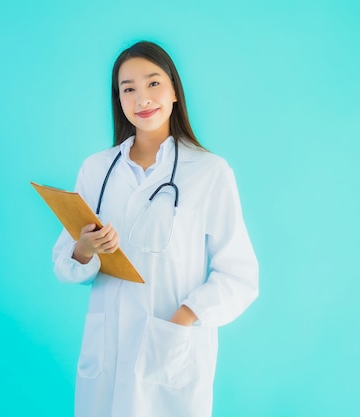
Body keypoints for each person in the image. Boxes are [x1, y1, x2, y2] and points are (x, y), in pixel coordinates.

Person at [52, 41, 259, 417]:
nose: (141, 98)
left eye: (153, 83)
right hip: (107, 351)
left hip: (172, 350)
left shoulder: (209, 172)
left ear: (175, 91)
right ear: (118, 99)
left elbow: (239, 275)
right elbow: (66, 265)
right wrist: (85, 248)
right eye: (128, 88)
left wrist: (183, 318)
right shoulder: (96, 169)